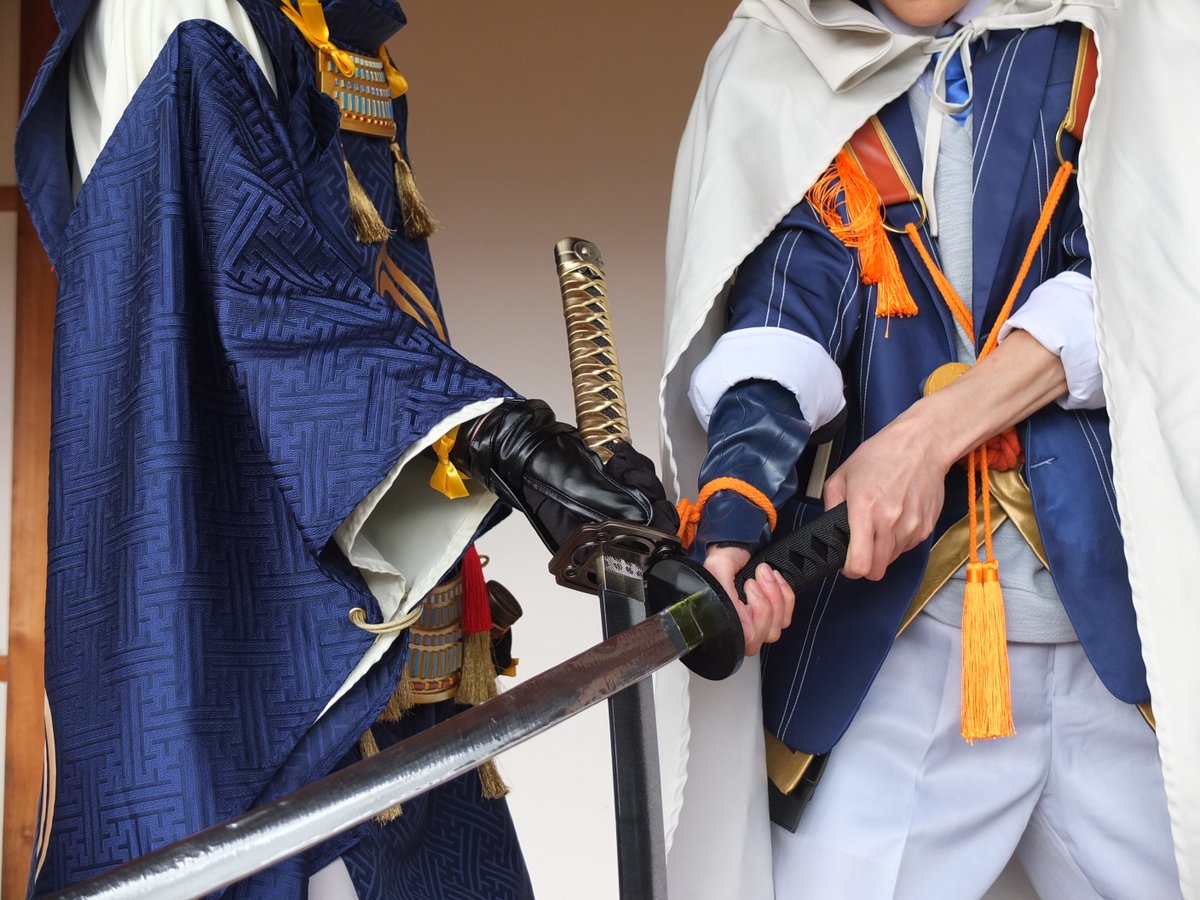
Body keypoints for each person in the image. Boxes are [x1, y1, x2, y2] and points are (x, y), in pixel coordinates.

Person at [15, 1, 692, 896]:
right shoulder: (175, 13)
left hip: (384, 626)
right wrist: (506, 443)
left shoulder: (330, 27)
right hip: (252, 628)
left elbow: (367, 296)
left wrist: (550, 471)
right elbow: (260, 287)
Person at [658, 0, 1183, 897]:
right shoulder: (792, 56)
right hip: (901, 641)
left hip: (1120, 629)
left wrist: (926, 438)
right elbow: (786, 312)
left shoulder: (1122, 33)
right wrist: (733, 520)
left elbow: (1145, 281)